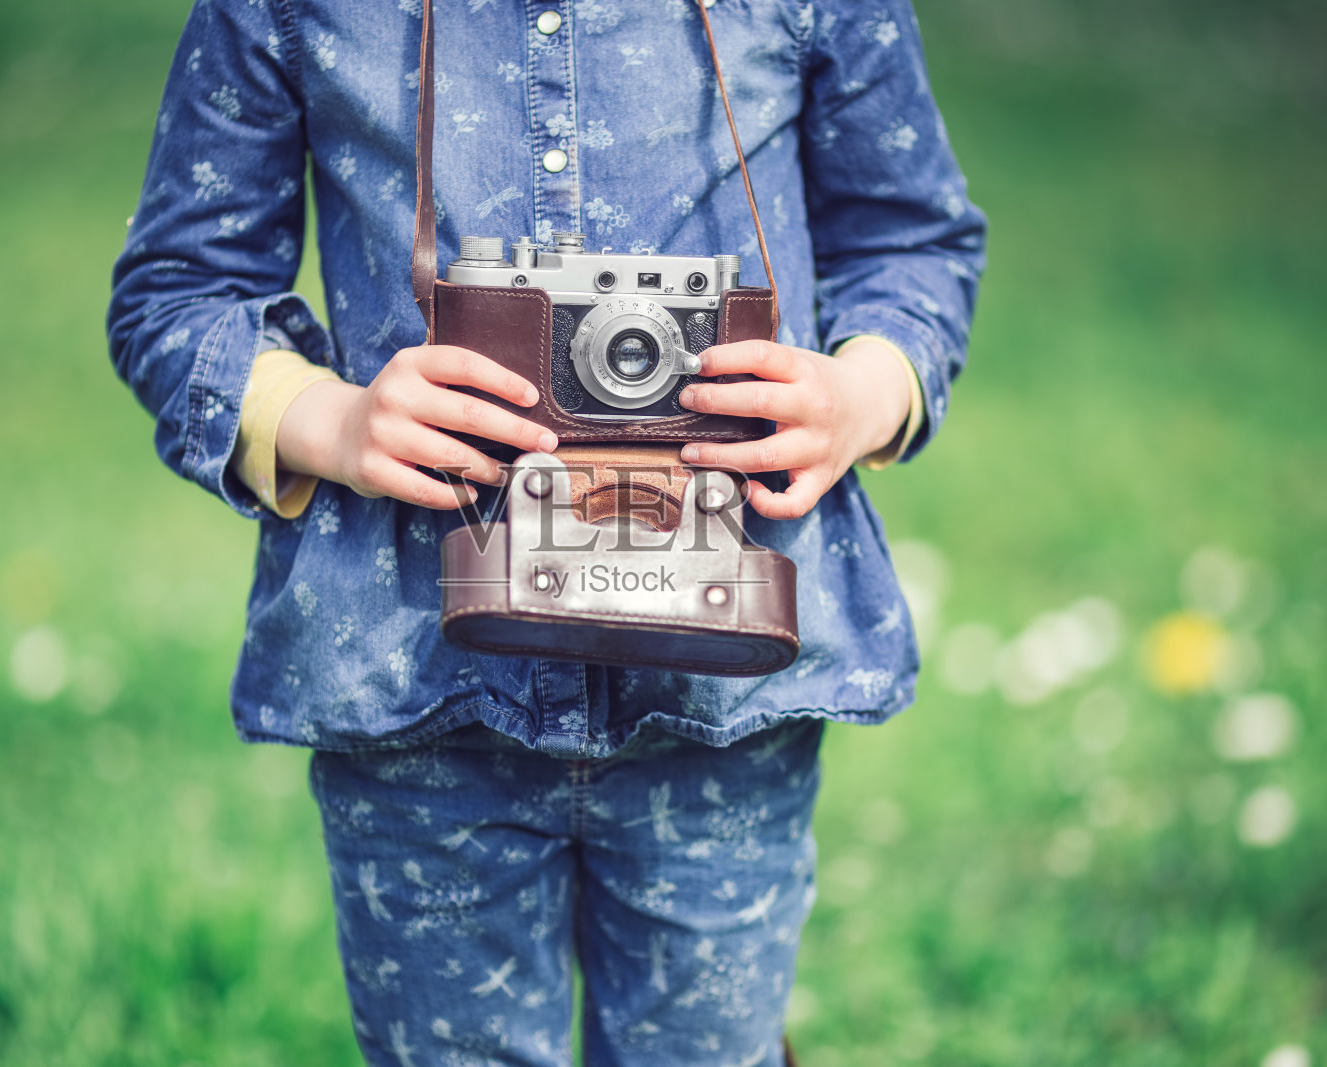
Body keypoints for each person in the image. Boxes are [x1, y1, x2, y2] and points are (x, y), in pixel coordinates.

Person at [108, 1, 984, 1062]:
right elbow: (176, 290)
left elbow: (913, 241)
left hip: (722, 694)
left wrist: (861, 394)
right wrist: (332, 421)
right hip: (416, 681)